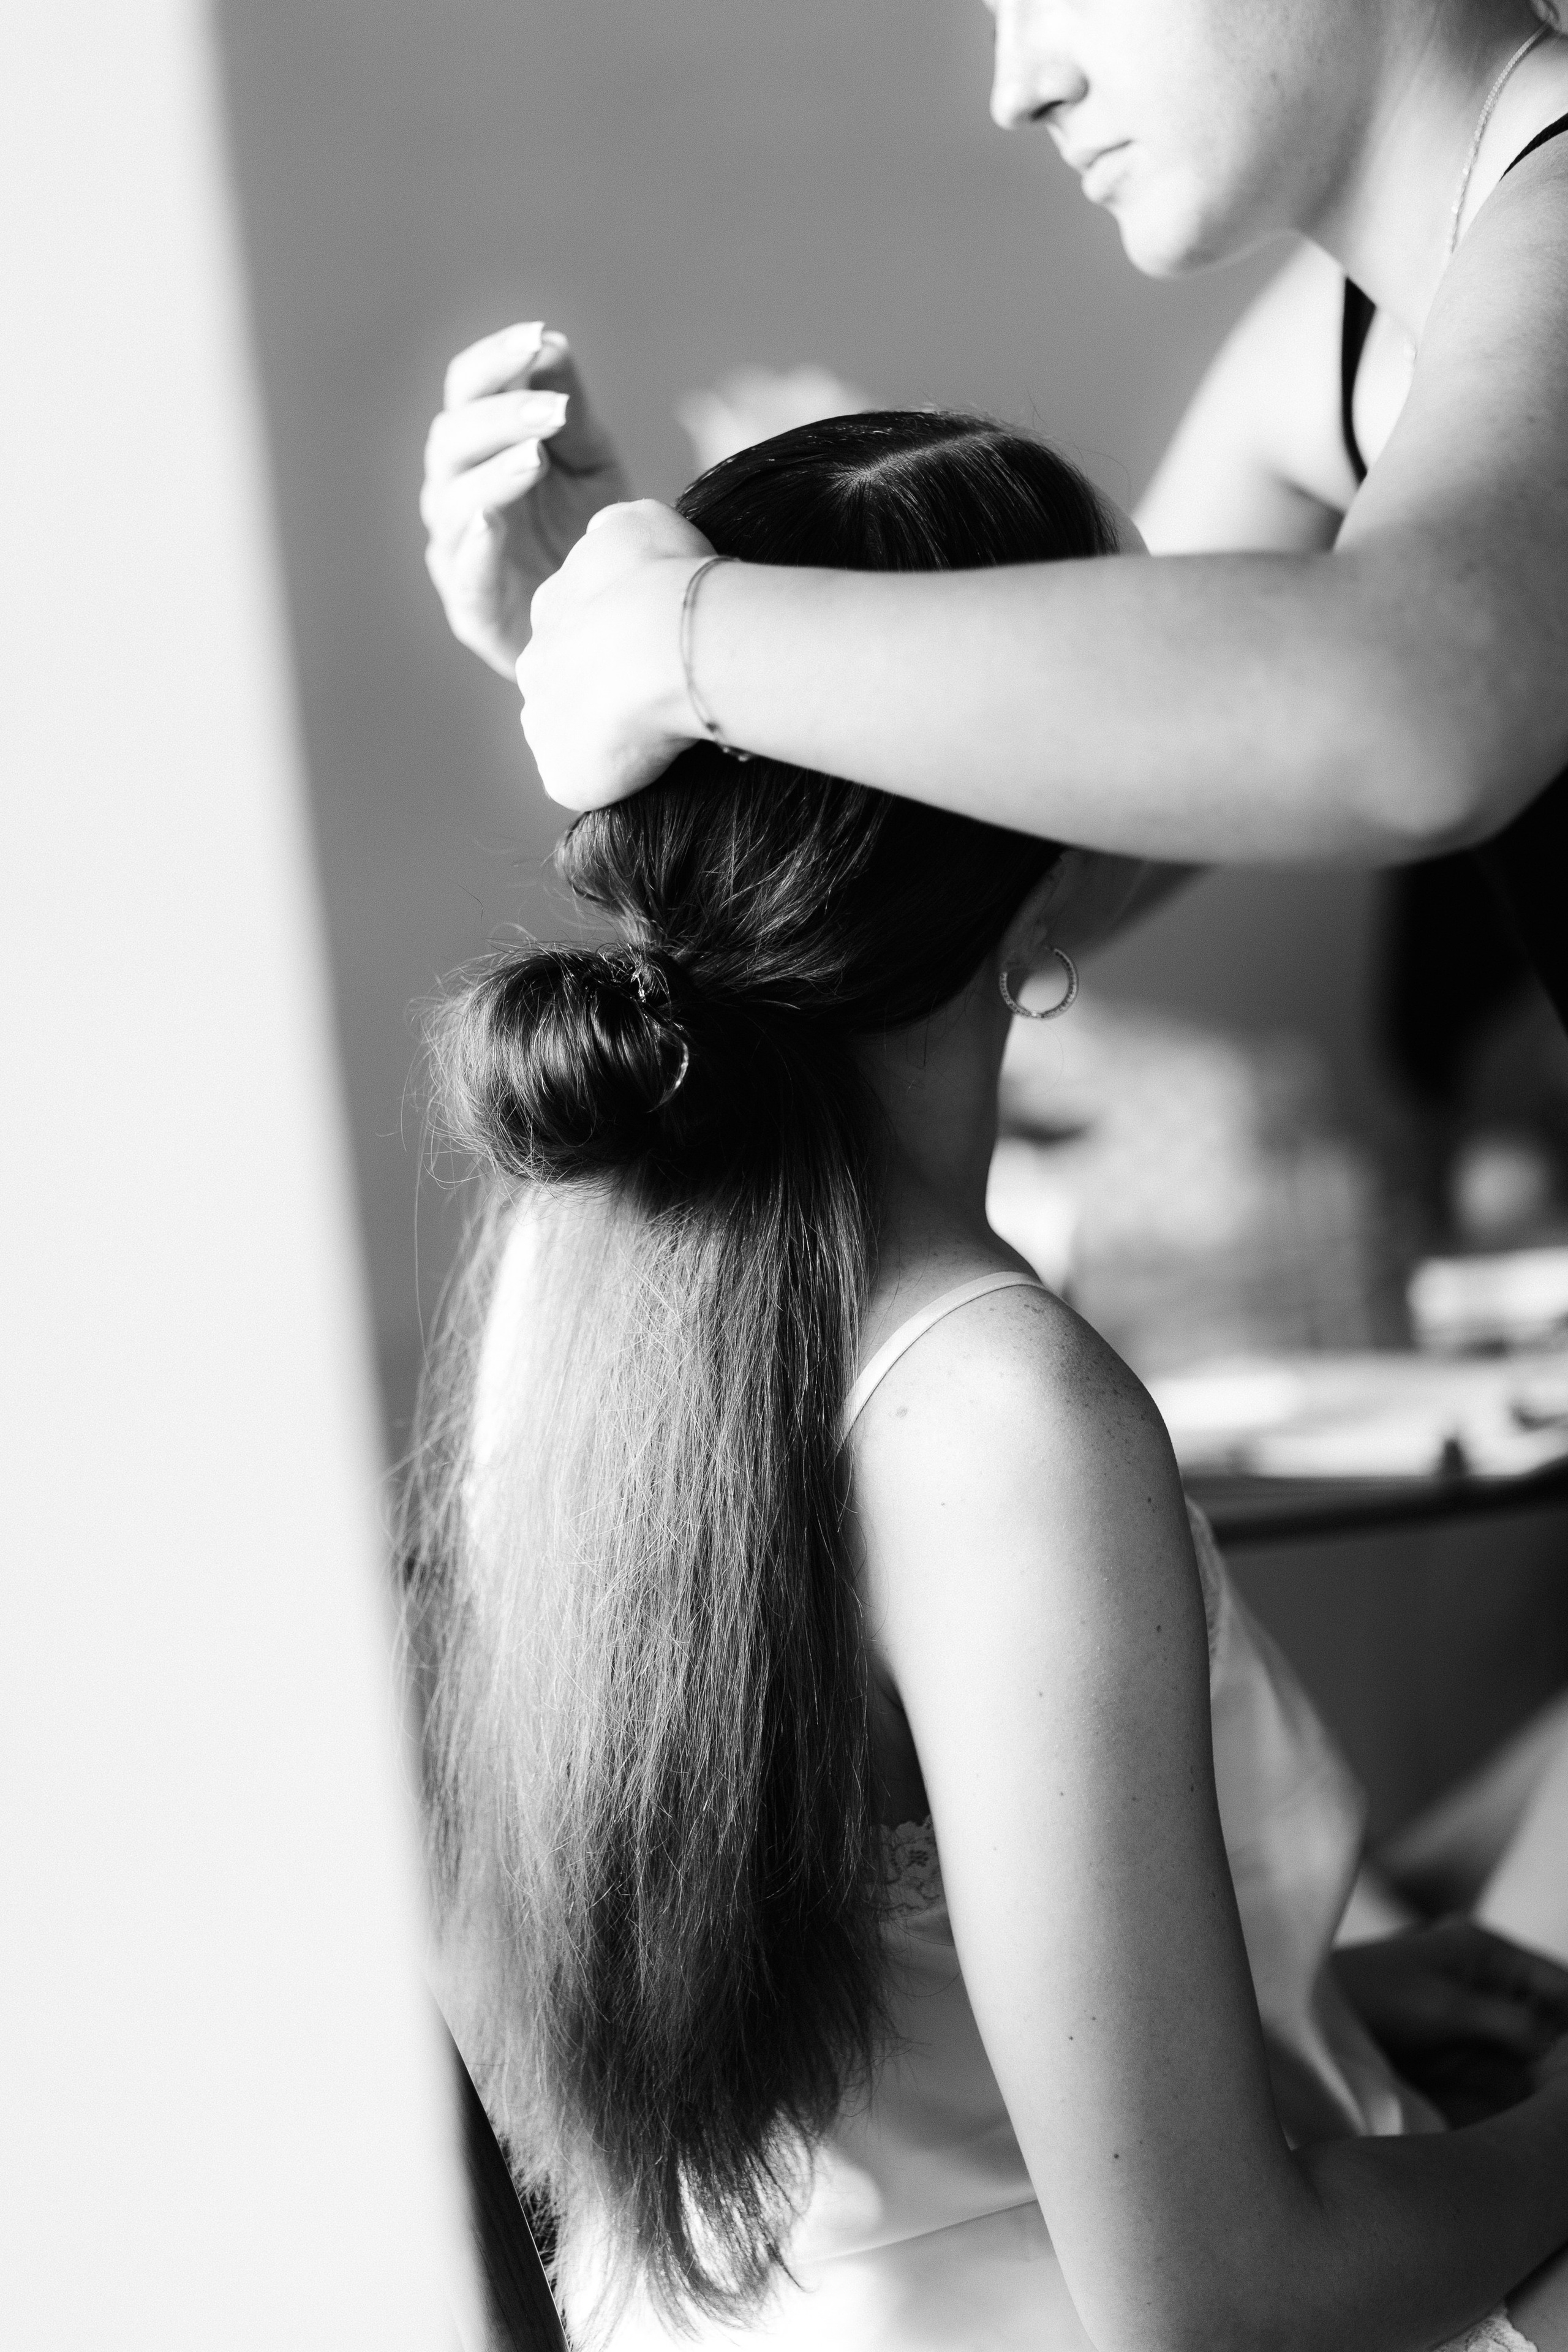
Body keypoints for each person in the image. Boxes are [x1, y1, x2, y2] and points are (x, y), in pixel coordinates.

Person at [407, 412, 1568, 2352]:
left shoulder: (578, 1268)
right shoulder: (1001, 1416)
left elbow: (874, 2027)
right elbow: (1219, 2301)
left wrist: (1302, 2004)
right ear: (1051, 901)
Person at [420, 0, 1568, 1029]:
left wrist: (682, 640)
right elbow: (1043, 855)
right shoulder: (1330, 348)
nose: (1018, 88)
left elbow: (1411, 708)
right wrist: (625, 675)